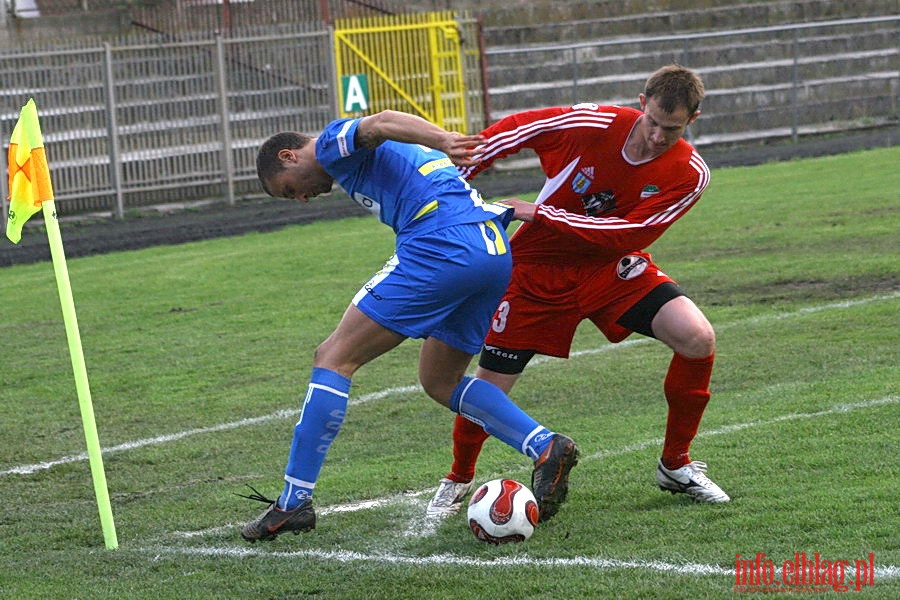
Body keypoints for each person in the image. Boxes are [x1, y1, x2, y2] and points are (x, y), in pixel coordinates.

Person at [240, 109, 579, 542]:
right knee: (440, 380)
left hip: (441, 245)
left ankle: (292, 502)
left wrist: (445, 139)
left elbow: (379, 121)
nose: (302, 198)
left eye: (291, 190)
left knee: (333, 357)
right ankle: (544, 445)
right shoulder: (375, 159)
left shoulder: (327, 144)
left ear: (290, 156)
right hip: (491, 249)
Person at [427, 64, 730, 519]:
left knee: (697, 337)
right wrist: (468, 164)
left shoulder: (690, 172)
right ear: (640, 102)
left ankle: (676, 464)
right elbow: (526, 126)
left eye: (673, 128)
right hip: (534, 270)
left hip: (611, 267)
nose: (658, 136)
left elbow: (629, 232)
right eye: (652, 122)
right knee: (489, 387)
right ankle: (458, 478)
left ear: (694, 119)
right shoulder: (593, 123)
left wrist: (538, 213)